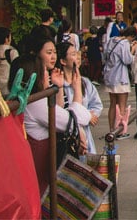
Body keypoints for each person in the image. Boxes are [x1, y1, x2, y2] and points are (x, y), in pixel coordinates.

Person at [12, 39, 89, 195]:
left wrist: (57, 88)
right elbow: (75, 119)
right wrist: (77, 88)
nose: (48, 74)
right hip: (40, 179)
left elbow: (57, 113)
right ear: (35, 76)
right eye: (45, 71)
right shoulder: (36, 104)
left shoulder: (29, 100)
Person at [57, 40, 102, 154]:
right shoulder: (57, 84)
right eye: (72, 54)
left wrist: (92, 115)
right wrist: (86, 117)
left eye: (77, 53)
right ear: (62, 61)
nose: (77, 57)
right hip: (67, 137)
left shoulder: (85, 82)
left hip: (86, 135)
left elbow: (96, 104)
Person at [103, 25, 135, 139]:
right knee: (122, 105)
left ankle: (112, 129)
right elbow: (127, 60)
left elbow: (105, 56)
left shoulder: (111, 40)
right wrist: (133, 50)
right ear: (131, 36)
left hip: (110, 76)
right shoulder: (125, 43)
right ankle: (120, 131)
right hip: (120, 77)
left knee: (112, 104)